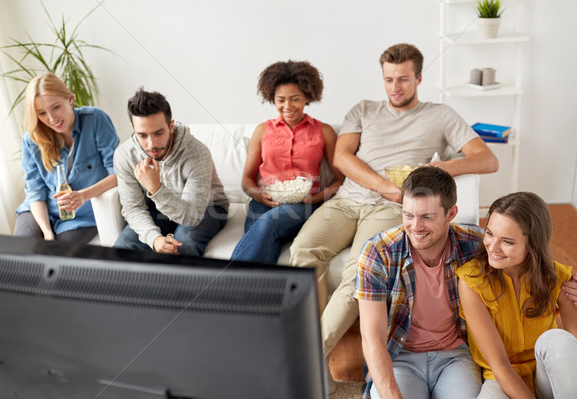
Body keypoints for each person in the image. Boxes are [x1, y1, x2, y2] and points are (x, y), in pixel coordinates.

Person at [289, 43, 499, 387]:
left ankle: (310, 356)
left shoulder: (441, 115)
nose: (395, 87)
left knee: (358, 268)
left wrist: (442, 166)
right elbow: (342, 158)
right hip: (349, 200)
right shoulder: (364, 110)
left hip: (391, 207)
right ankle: (310, 340)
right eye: (388, 79)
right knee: (302, 252)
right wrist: (383, 184)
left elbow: (487, 159)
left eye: (403, 79)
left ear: (418, 78)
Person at [354, 167, 577, 399]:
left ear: (451, 214)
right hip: (401, 355)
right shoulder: (379, 252)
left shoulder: (475, 242)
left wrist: (574, 286)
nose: (415, 227)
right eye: (408, 215)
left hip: (454, 356)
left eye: (427, 217)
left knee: (555, 342)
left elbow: (527, 251)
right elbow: (372, 336)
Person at [456, 192, 577, 398]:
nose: (492, 247)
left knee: (558, 340)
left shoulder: (560, 278)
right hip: (501, 378)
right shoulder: (471, 281)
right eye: (490, 233)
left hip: (546, 373)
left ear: (532, 245)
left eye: (507, 242)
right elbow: (500, 366)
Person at [230, 60, 343, 264]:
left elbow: (340, 181)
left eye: (295, 99)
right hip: (262, 204)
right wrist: (258, 195)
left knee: (266, 224)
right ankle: (259, 294)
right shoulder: (263, 130)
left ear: (308, 97)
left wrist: (315, 199)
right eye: (280, 100)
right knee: (268, 245)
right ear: (272, 98)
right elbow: (247, 180)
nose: (287, 106)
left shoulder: (323, 131)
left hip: (302, 206)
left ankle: (222, 284)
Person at [113, 88, 228, 256]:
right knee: (123, 246)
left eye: (158, 133)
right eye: (142, 135)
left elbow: (192, 217)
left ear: (171, 126)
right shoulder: (124, 155)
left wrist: (156, 188)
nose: (151, 144)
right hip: (159, 208)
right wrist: (154, 239)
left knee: (183, 245)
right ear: (133, 127)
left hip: (207, 207)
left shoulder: (197, 153)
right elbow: (133, 208)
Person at [14, 72, 119, 243]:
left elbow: (117, 175)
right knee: (20, 252)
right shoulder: (32, 140)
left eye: (56, 107)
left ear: (70, 99)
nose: (51, 118)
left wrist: (83, 196)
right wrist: (47, 233)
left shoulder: (95, 120)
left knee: (60, 257)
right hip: (39, 211)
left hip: (81, 216)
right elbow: (35, 192)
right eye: (41, 113)